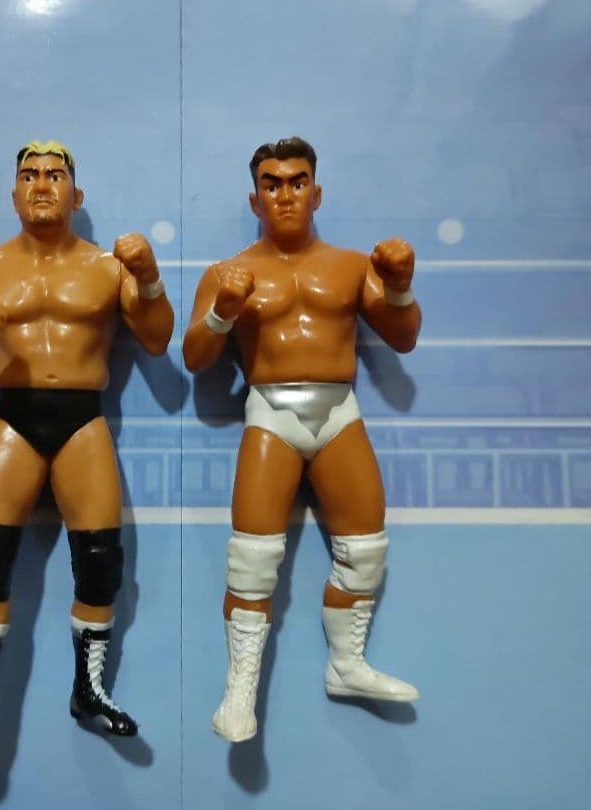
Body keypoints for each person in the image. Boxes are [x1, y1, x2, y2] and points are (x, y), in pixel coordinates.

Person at [0, 140, 174, 753]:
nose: (41, 183)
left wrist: (149, 278)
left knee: (101, 558)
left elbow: (157, 339)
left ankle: (91, 688)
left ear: (75, 195)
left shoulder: (107, 267)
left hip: (83, 418)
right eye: (29, 174)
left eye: (55, 174)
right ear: (13, 194)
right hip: (15, 417)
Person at [182, 136, 421, 743]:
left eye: (296, 182)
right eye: (271, 184)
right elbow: (195, 357)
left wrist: (398, 286)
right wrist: (224, 310)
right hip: (271, 412)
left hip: (338, 409)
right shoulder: (227, 272)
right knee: (253, 561)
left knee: (365, 549)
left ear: (316, 193)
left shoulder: (351, 267)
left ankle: (347, 665)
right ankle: (239, 691)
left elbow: (402, 337)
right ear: (255, 199)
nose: (284, 194)